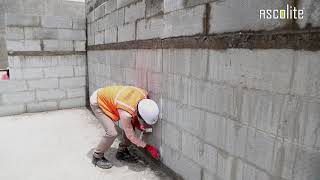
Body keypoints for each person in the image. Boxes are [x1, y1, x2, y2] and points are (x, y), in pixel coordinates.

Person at [89, 85, 160, 169]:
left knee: (131, 127)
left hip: (110, 96)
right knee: (112, 133)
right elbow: (131, 136)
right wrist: (148, 147)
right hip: (98, 102)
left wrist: (138, 125)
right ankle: (97, 156)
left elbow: (134, 112)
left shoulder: (144, 95)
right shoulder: (126, 113)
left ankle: (122, 152)